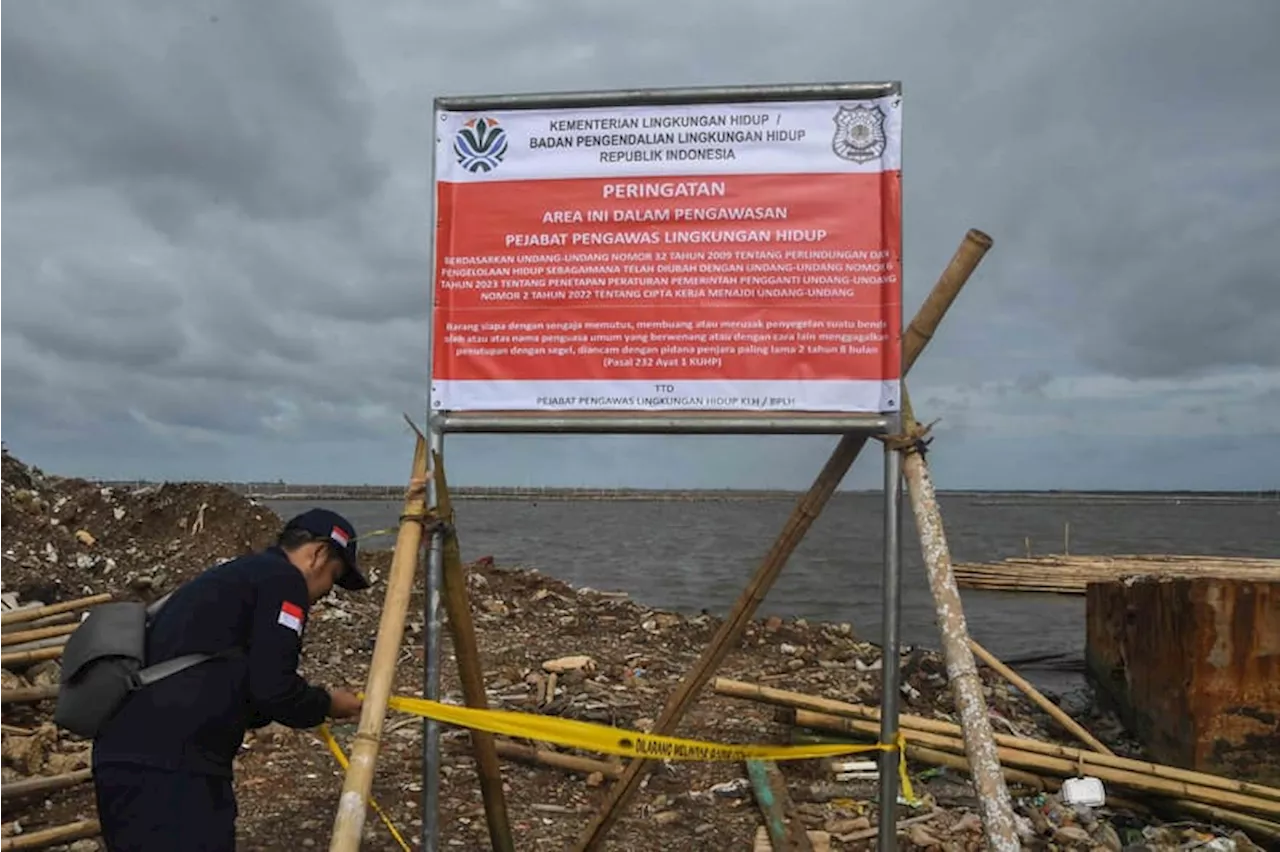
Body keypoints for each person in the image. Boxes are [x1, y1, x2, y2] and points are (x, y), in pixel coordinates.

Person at [91, 508, 373, 851]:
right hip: (172, 771)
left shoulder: (240, 577)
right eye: (334, 575)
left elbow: (249, 691)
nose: (328, 591)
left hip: (128, 757)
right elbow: (275, 690)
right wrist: (329, 704)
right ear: (317, 554)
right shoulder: (283, 581)